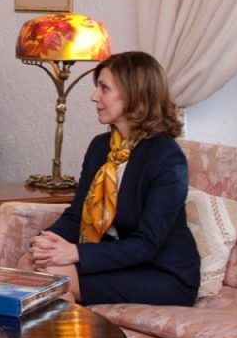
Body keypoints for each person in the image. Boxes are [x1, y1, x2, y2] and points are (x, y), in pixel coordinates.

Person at [19, 51, 200, 306]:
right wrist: (45, 243)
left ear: (135, 94)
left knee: (52, 276)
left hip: (162, 273)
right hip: (115, 261)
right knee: (28, 264)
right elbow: (77, 215)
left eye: (104, 88)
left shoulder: (167, 157)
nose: (95, 97)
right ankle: (65, 328)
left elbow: (147, 244)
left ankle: (65, 330)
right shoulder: (100, 146)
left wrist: (74, 252)